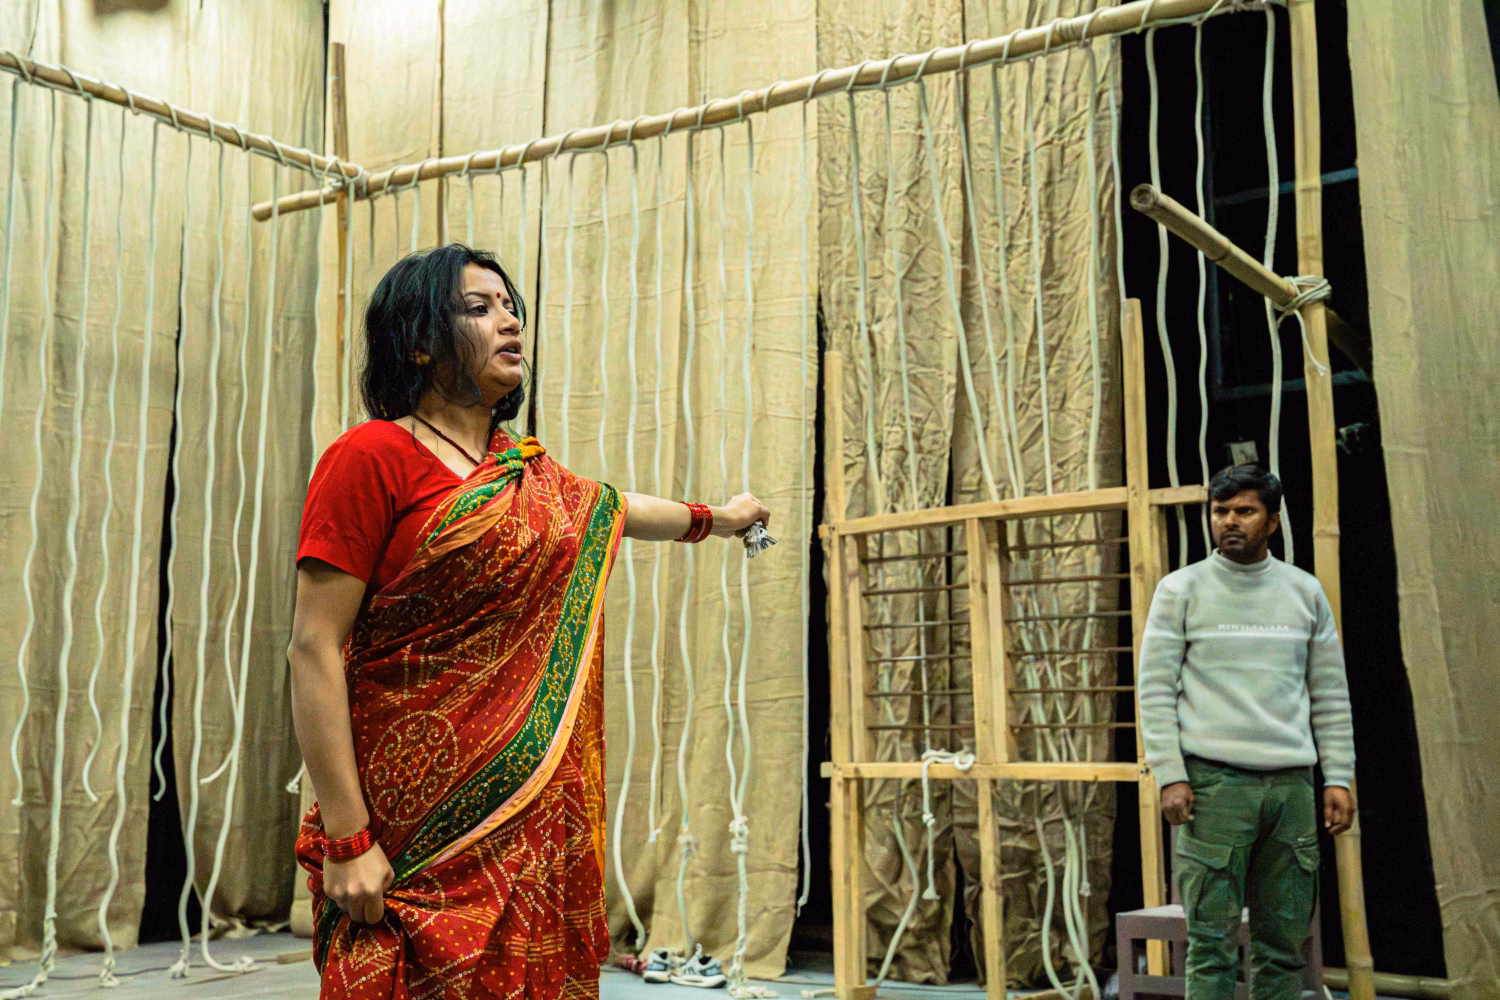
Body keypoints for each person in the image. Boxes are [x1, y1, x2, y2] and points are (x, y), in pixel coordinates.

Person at [288, 243, 770, 1000]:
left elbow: (616, 507)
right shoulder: (371, 455)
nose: (510, 322)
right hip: (410, 830)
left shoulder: (529, 473)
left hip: (531, 822)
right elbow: (312, 647)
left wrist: (723, 518)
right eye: (478, 309)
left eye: (511, 307)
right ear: (419, 342)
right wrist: (349, 840)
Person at [1137, 464, 1356, 999]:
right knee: (1211, 946)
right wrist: (1170, 773)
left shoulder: (1303, 591)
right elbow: (1155, 689)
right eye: (1220, 511)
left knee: (1283, 946)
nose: (1230, 521)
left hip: (1291, 786)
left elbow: (1329, 693)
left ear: (1273, 521)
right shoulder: (1180, 589)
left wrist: (1339, 776)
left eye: (1244, 511)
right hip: (1214, 786)